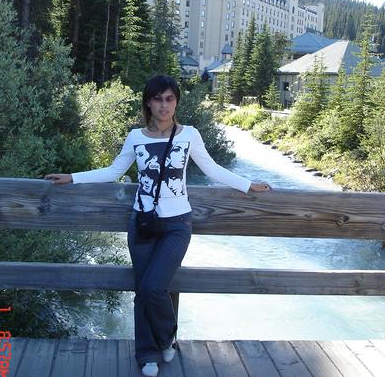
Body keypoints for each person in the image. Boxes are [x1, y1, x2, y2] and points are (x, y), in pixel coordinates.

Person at [45, 74, 271, 377]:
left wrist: (247, 184)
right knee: (143, 290)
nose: (164, 105)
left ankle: (166, 337)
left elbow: (212, 169)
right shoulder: (135, 136)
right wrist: (73, 177)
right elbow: (113, 171)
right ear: (148, 103)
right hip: (142, 222)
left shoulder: (190, 135)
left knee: (154, 287)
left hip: (178, 224)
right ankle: (147, 354)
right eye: (157, 99)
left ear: (176, 102)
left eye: (169, 98)